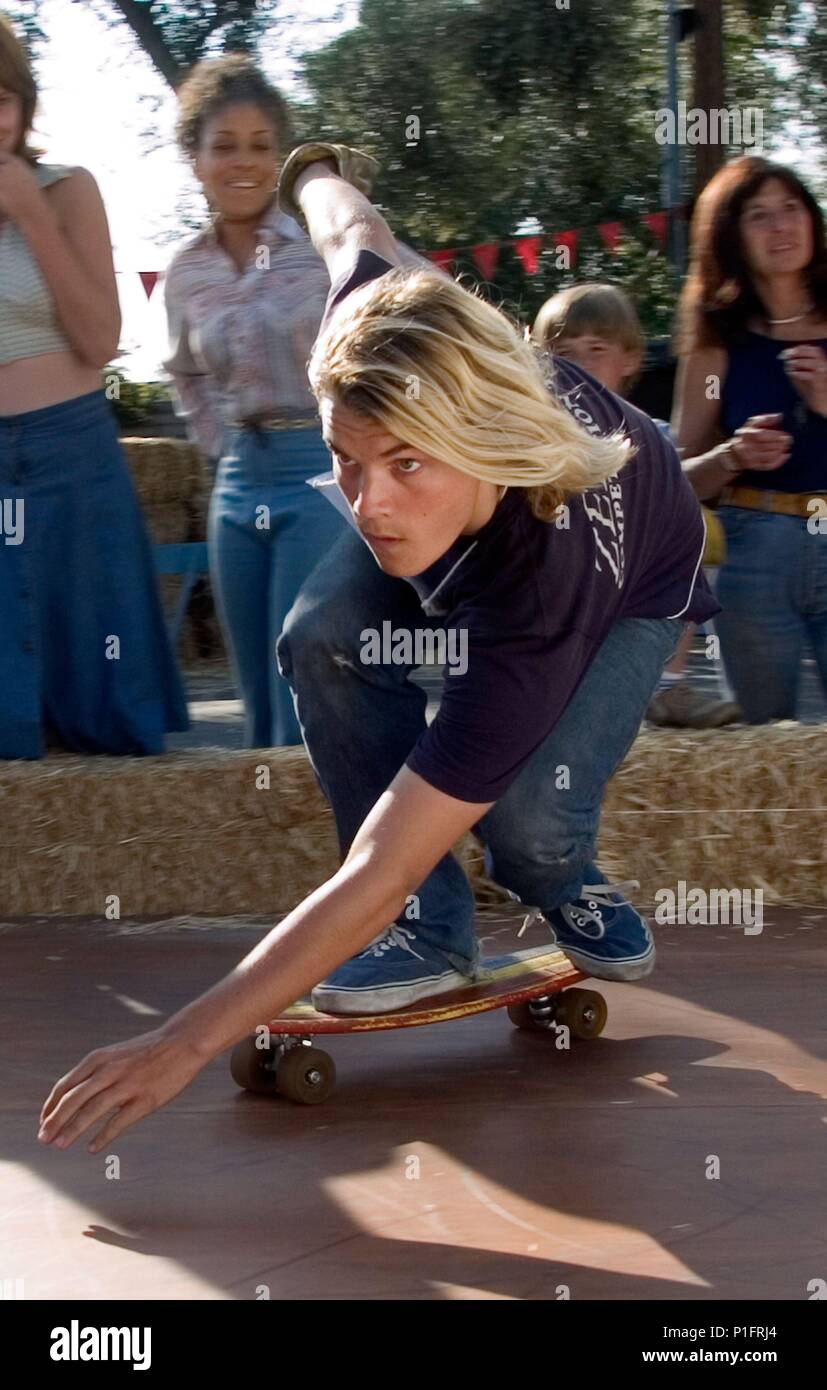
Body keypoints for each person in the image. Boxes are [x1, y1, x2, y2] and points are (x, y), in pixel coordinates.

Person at [39, 142, 719, 1154]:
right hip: (489, 508)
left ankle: (563, 872)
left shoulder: (544, 588)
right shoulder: (377, 316)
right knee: (319, 635)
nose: (369, 504)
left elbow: (377, 862)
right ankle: (433, 935)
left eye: (403, 462)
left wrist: (181, 1043)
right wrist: (312, 167)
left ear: (474, 437)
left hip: (635, 581)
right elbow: (349, 225)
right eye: (343, 460)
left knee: (525, 818)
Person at [163, 56, 425, 746]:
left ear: (280, 157)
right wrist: (220, 444)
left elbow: (414, 300)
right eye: (223, 146)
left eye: (259, 146)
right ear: (195, 159)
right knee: (255, 698)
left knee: (301, 676)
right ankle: (266, 848)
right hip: (237, 478)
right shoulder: (185, 271)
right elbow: (183, 373)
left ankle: (348, 843)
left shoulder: (324, 240)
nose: (242, 163)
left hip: (323, 464)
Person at [0, 13, 188, 757]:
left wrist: (27, 213)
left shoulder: (68, 188)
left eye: (2, 98)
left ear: (25, 102)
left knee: (100, 691)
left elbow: (99, 339)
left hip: (71, 449)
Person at [533, 281, 738, 728]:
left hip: (637, 579)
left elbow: (677, 497)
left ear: (630, 359)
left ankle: (668, 687)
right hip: (568, 583)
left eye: (597, 349)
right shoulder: (539, 439)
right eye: (565, 353)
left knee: (690, 534)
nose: (581, 365)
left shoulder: (651, 434)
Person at [672, 156, 827, 722]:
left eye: (792, 209)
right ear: (731, 239)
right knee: (771, 749)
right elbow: (678, 479)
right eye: (759, 216)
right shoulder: (718, 342)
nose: (781, 226)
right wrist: (733, 455)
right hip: (754, 551)